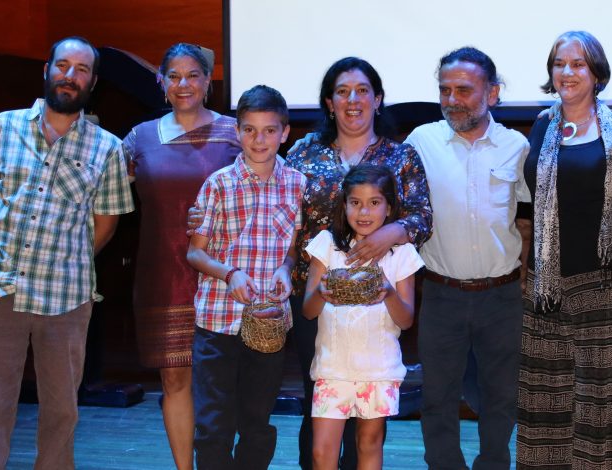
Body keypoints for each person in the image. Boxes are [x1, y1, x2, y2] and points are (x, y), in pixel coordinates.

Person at [0, 36, 134, 469]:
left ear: (93, 82)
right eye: (63, 65)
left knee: (61, 411)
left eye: (81, 70)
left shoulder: (107, 148)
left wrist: (66, 256)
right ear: (47, 70)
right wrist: (12, 245)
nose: (70, 76)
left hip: (66, 297)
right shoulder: (1, 127)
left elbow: (106, 223)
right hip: (0, 288)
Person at [285, 56, 432, 470]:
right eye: (343, 92)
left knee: (367, 417)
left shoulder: (401, 156)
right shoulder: (302, 151)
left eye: (363, 91)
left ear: (378, 99)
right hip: (314, 294)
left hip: (377, 306)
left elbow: (423, 217)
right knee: (321, 400)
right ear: (329, 102)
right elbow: (281, 209)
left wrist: (390, 233)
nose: (353, 100)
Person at [404, 46, 530, 470]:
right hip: (442, 293)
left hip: (503, 296)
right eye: (445, 90)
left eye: (464, 89)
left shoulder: (518, 146)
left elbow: (529, 217)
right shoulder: (420, 141)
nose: (452, 99)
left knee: (502, 397)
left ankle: (494, 463)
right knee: (438, 397)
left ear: (492, 93)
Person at [515, 31, 612, 468]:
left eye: (578, 64)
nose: (567, 72)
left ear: (598, 72)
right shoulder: (542, 126)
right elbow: (530, 206)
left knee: (599, 410)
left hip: (603, 291)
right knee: (545, 410)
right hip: (547, 291)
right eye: (559, 64)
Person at [122, 42, 239, 470]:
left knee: (222, 381)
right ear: (161, 83)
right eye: (173, 76)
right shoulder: (139, 138)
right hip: (161, 272)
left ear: (208, 81)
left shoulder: (234, 132)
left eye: (193, 75)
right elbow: (105, 197)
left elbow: (263, 192)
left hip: (222, 275)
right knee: (173, 378)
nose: (183, 84)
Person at [185, 85, 306, 469]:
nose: (259, 139)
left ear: (285, 133)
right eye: (250, 129)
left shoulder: (297, 184)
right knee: (213, 425)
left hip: (268, 324)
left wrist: (287, 270)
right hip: (218, 323)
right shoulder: (218, 184)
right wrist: (230, 272)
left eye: (269, 130)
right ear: (237, 132)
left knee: (257, 423)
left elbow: (292, 249)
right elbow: (194, 252)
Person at [301, 164, 425, 470]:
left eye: (374, 202)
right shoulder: (327, 246)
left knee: (368, 444)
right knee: (321, 452)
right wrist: (322, 293)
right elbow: (308, 309)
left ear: (389, 208)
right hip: (333, 366)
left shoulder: (402, 254)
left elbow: (406, 319)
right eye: (355, 202)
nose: (364, 211)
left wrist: (388, 292)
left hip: (378, 368)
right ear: (344, 206)